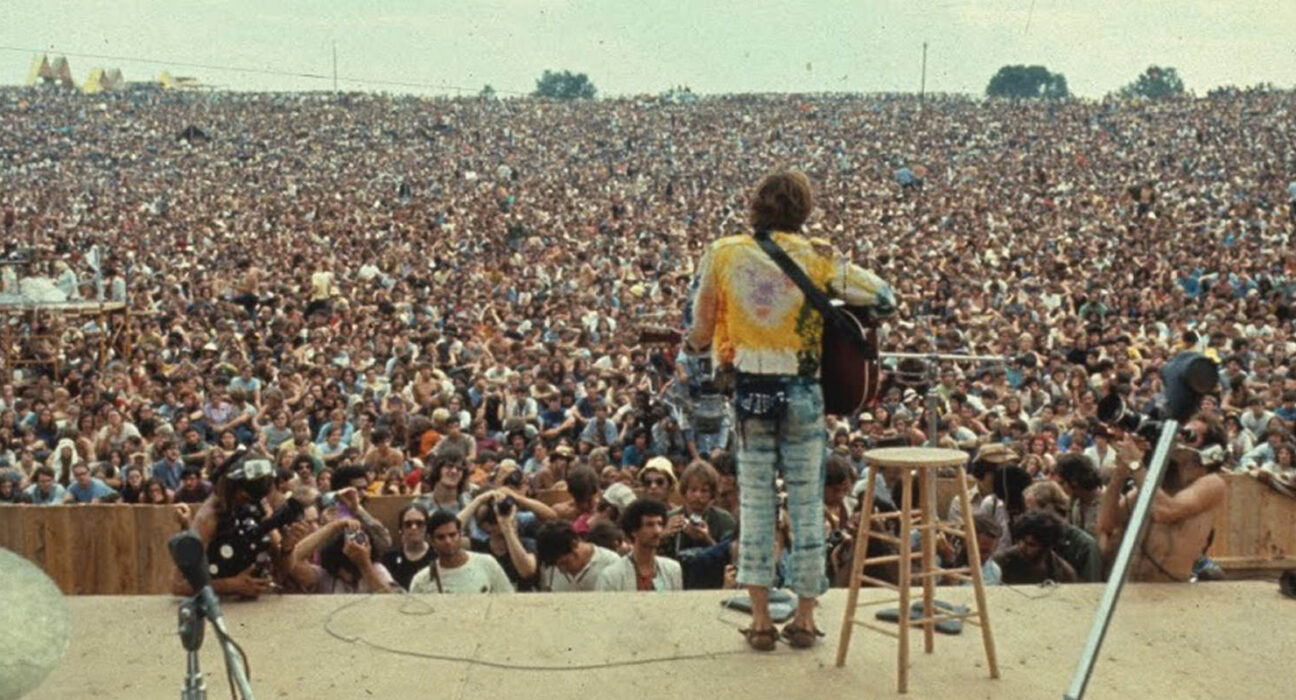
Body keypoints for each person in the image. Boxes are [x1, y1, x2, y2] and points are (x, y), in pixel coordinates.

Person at [684, 170, 894, 651]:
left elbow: (698, 327)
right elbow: (884, 298)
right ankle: (804, 618)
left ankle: (760, 621)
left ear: (756, 205)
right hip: (803, 392)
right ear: (804, 209)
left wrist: (701, 346)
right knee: (806, 505)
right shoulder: (817, 255)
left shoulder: (724, 252)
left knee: (756, 507)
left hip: (751, 393)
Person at [1097, 438, 1228, 582]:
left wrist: (1135, 464)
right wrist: (1120, 472)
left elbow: (1165, 512)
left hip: (1170, 586)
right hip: (1132, 585)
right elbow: (1106, 524)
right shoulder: (1147, 490)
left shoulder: (1212, 483)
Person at [409, 510, 515, 594]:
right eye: (441, 537)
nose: (448, 541)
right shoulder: (421, 581)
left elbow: (508, 600)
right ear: (431, 540)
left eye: (452, 535)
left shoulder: (487, 563)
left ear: (460, 535)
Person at [288, 516, 399, 594]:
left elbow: (391, 603)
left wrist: (364, 565)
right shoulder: (325, 577)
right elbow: (293, 560)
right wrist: (333, 527)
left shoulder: (376, 570)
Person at [595, 498, 683, 593]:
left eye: (660, 524)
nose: (657, 531)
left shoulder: (673, 569)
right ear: (634, 531)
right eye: (650, 525)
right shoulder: (612, 576)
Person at [1023, 480, 1104, 582]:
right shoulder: (1031, 544)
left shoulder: (1084, 546)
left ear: (1050, 508)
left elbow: (1092, 585)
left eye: (1033, 511)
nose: (1029, 517)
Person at [993, 510, 1079, 585]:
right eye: (1020, 540)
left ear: (1046, 547)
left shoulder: (1064, 573)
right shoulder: (1000, 563)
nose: (1022, 546)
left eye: (1031, 545)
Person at [535, 520, 621, 592]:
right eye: (556, 566)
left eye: (564, 563)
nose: (562, 570)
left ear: (574, 545)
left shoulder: (611, 563)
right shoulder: (549, 568)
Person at [381, 502, 435, 591]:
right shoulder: (389, 558)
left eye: (419, 523)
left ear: (427, 527)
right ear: (401, 528)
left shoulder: (437, 556)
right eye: (408, 524)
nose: (414, 527)